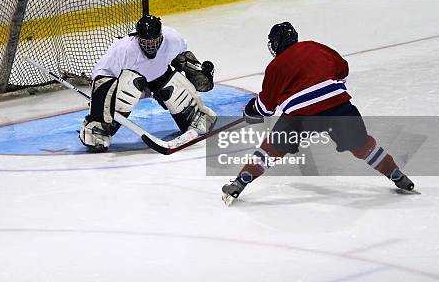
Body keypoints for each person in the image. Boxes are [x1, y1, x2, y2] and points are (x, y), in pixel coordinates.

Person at [222, 22, 415, 203]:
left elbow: (265, 108)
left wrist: (251, 110)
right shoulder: (315, 47)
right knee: (362, 145)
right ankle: (396, 174)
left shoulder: (275, 67)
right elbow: (343, 69)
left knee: (273, 148)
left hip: (300, 116)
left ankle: (242, 180)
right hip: (338, 108)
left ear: (276, 43)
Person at [80, 15, 217, 152]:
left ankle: (194, 115)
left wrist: (197, 70)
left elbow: (183, 56)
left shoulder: (173, 38)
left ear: (161, 35)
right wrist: (98, 106)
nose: (151, 45)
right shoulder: (124, 48)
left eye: (154, 41)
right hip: (132, 82)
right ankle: (97, 128)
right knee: (129, 87)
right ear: (138, 37)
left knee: (171, 87)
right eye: (146, 42)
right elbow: (102, 75)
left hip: (159, 78)